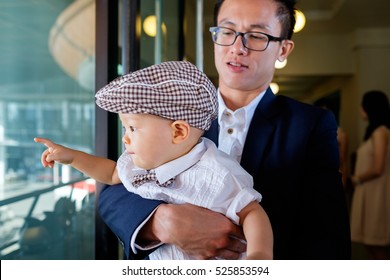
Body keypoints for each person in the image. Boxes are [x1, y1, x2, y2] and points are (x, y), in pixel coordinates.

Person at [99, 0, 351, 260]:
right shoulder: (170, 109)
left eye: (256, 35)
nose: (237, 48)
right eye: (227, 32)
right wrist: (160, 221)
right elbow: (115, 190)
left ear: (283, 49)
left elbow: (326, 232)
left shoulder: (310, 125)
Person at [34, 61, 273, 260]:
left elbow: (252, 211)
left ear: (178, 132)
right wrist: (73, 157)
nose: (125, 139)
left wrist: (259, 255)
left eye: (133, 129)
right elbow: (110, 174)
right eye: (124, 128)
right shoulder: (139, 164)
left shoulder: (217, 172)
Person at [350, 90, 390, 260]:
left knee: (376, 243)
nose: (360, 109)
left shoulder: (380, 133)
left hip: (377, 192)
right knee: (370, 244)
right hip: (370, 190)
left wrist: (357, 178)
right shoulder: (374, 132)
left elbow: (377, 168)